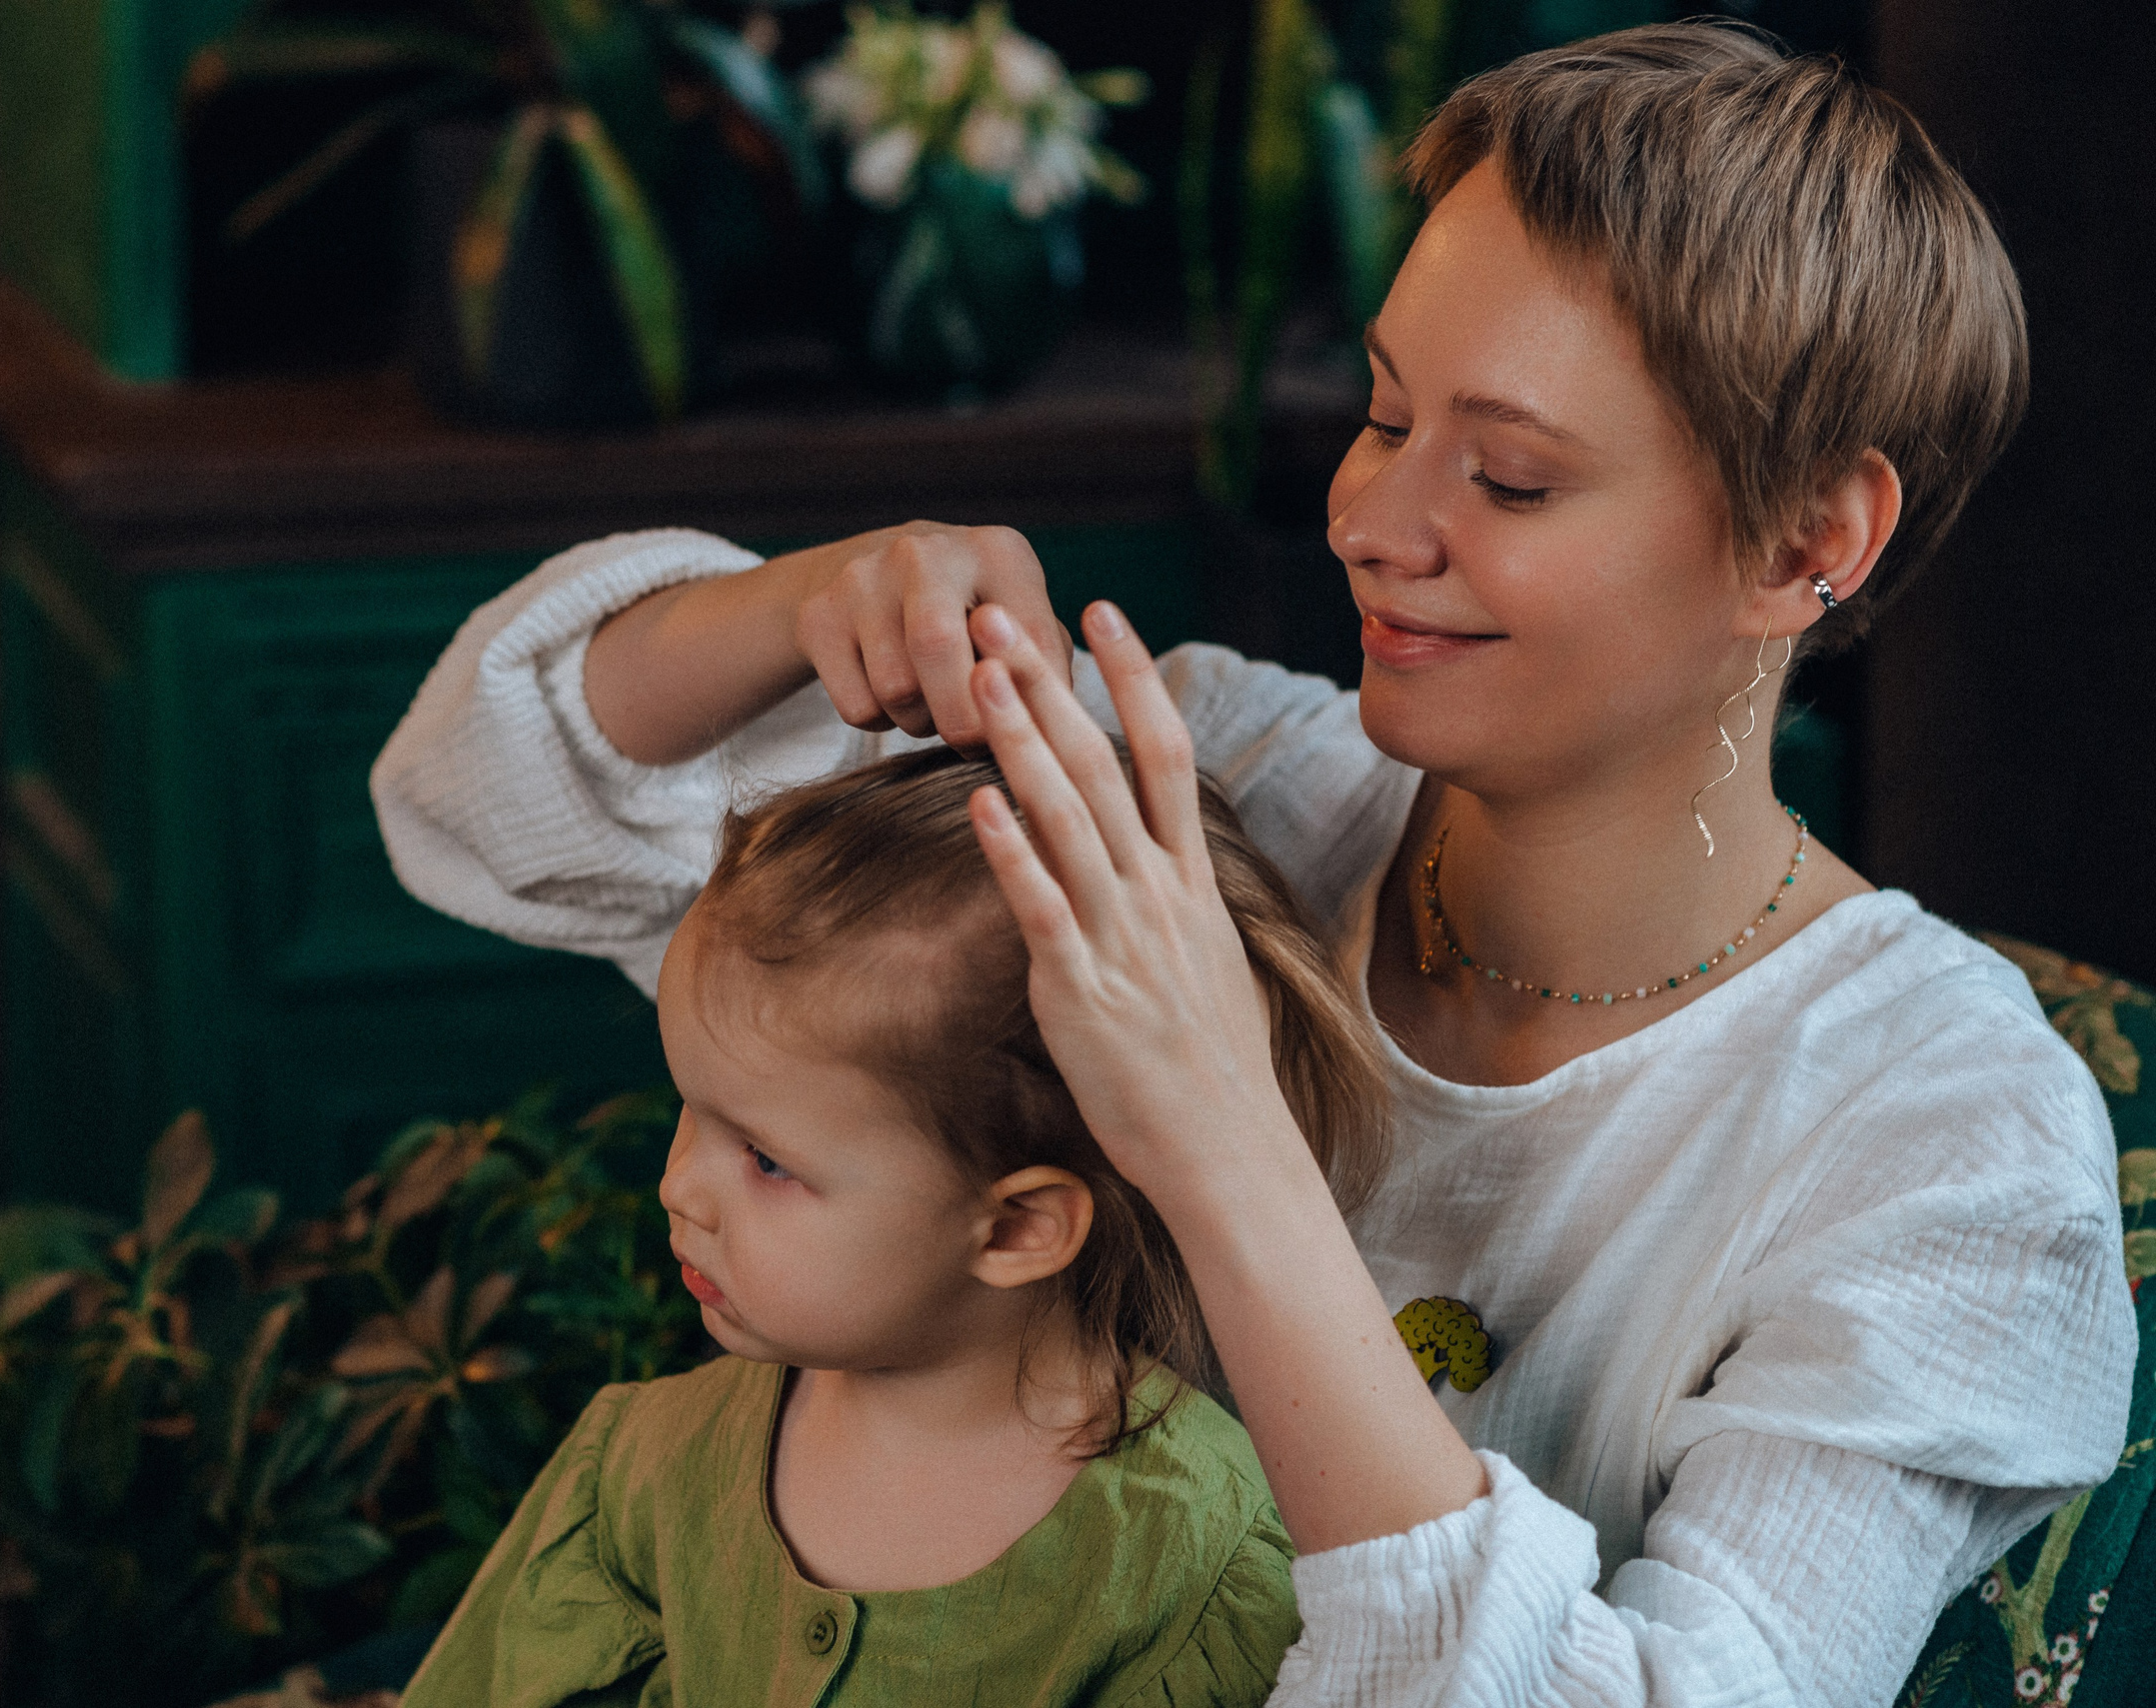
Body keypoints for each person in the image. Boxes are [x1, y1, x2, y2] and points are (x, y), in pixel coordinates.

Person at [372, 23, 2135, 1707]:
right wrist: (795, 602)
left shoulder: (1950, 1144)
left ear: (1808, 541)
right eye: (1382, 414)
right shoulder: (1213, 774)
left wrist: (1219, 1127)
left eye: (1508, 478)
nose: (1372, 520)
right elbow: (489, 802)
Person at [400, 745, 1390, 1707]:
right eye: (690, 1112)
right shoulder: (646, 1471)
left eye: (767, 1159)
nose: (680, 1188)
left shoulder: (1200, 1568)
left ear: (1016, 1228)